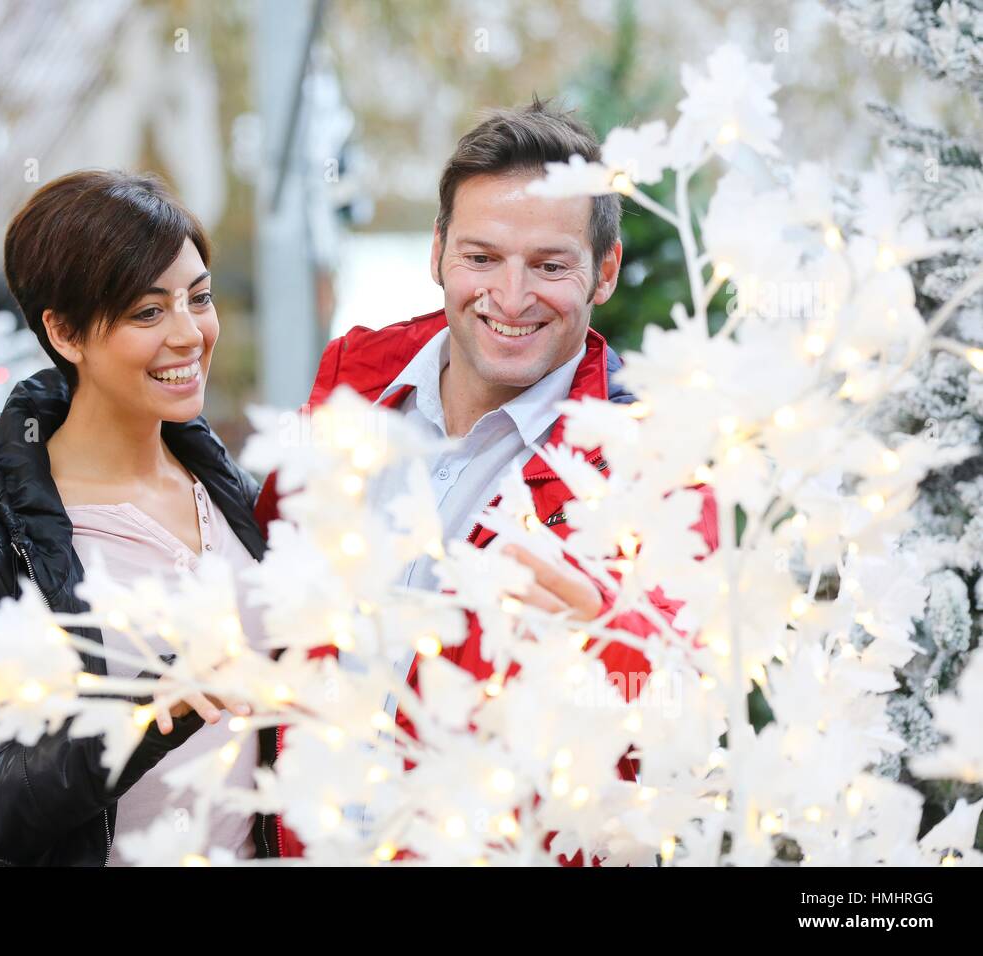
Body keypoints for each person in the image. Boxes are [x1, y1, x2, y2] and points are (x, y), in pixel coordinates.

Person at [253, 99, 719, 862]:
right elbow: (265, 561)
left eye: (549, 264)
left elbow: (686, 690)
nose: (509, 297)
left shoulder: (655, 463)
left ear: (603, 271)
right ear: (438, 251)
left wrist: (607, 646)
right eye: (481, 257)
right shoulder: (354, 376)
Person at [0, 169, 277, 866]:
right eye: (147, 312)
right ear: (66, 331)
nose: (189, 334)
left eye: (198, 298)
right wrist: (149, 712)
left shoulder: (239, 498)